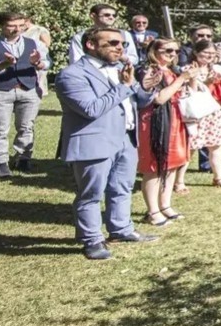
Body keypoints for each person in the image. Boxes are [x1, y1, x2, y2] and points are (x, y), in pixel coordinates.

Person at [55, 26, 157, 260]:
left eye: (121, 43)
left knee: (122, 188)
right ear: (91, 44)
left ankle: (121, 229)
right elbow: (91, 109)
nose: (119, 47)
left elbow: (136, 101)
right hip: (95, 141)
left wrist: (145, 88)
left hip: (126, 138)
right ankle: (91, 240)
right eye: (112, 43)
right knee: (91, 193)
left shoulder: (121, 68)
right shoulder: (71, 75)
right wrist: (125, 86)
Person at [0, 11, 48, 178]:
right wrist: (4, 63)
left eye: (21, 25)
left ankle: (23, 159)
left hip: (28, 89)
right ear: (1, 26)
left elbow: (46, 63)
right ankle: (0, 163)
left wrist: (38, 63)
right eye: (12, 26)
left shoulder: (34, 43)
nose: (17, 29)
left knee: (26, 127)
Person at [136, 37, 193, 225]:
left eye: (176, 51)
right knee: (154, 167)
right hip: (155, 121)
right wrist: (182, 80)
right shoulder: (148, 70)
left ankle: (165, 205)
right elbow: (159, 98)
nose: (172, 54)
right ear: (154, 51)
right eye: (167, 51)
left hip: (175, 120)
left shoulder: (170, 70)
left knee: (172, 164)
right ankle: (152, 211)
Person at [181, 40, 221, 188]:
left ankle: (218, 177)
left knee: (215, 145)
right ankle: (179, 181)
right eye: (205, 53)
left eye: (212, 53)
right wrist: (208, 83)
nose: (209, 56)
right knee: (191, 147)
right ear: (196, 53)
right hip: (196, 113)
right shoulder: (188, 68)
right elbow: (192, 92)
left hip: (214, 111)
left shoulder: (218, 69)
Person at [67, 4, 135, 66]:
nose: (111, 17)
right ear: (93, 16)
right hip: (92, 74)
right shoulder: (80, 37)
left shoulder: (125, 35)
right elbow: (76, 60)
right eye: (107, 15)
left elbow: (134, 59)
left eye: (114, 15)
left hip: (119, 74)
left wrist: (123, 58)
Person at [20, 16, 53, 97]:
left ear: (28, 21)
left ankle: (40, 93)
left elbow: (47, 44)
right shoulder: (21, 31)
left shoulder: (39, 30)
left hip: (39, 55)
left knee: (40, 76)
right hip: (24, 57)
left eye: (23, 24)